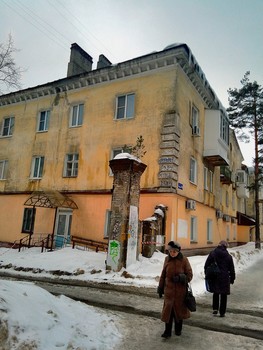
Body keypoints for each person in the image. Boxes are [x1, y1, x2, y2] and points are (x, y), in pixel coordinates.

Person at [157, 241, 193, 339]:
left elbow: (189, 275)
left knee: (178, 312)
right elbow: (163, 275)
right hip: (169, 291)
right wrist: (160, 288)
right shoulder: (167, 259)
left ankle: (178, 330)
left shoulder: (184, 260)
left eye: (174, 251)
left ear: (178, 251)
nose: (172, 253)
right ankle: (167, 332)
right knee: (169, 312)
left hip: (180, 292)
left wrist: (181, 278)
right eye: (170, 251)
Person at [204, 240, 235, 317]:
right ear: (225, 247)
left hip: (214, 276)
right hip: (225, 277)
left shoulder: (212, 254)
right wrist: (232, 278)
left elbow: (206, 265)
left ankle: (215, 309)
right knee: (224, 295)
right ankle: (222, 312)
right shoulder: (228, 256)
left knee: (216, 292)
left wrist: (207, 274)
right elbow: (231, 269)